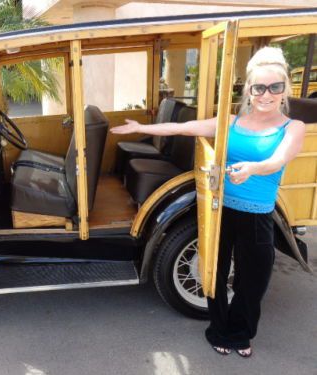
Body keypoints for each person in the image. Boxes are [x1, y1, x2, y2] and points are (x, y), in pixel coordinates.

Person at [111, 47, 305, 358]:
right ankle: (217, 329)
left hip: (257, 216)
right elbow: (183, 128)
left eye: (274, 87)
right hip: (221, 210)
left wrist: (253, 168)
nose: (266, 95)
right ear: (249, 91)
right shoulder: (232, 121)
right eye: (258, 88)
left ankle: (241, 334)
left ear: (284, 90)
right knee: (212, 271)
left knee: (252, 280)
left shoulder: (292, 128)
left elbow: (278, 160)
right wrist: (140, 128)